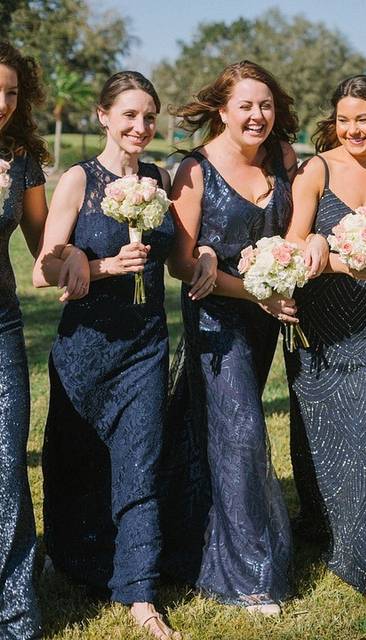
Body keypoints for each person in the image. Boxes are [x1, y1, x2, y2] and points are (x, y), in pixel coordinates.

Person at [34, 71, 180, 640]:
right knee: (76, 463)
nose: (140, 127)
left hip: (145, 342)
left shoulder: (159, 178)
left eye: (149, 117)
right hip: (85, 347)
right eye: (129, 116)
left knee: (140, 464)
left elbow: (178, 252)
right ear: (103, 116)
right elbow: (45, 269)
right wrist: (98, 267)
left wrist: (210, 251)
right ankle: (72, 559)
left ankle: (140, 593)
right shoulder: (78, 179)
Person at [165, 60, 297, 615]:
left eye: (265, 105)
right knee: (242, 431)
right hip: (216, 319)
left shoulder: (285, 161)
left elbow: (296, 233)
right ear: (222, 110)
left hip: (267, 319)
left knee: (212, 432)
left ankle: (179, 540)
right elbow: (180, 262)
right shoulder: (193, 172)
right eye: (245, 105)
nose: (257, 115)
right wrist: (254, 293)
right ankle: (248, 578)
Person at [283, 75, 366, 602]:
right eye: (344, 119)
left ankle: (363, 562)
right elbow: (290, 245)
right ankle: (321, 526)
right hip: (318, 331)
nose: (353, 129)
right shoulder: (317, 168)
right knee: (321, 446)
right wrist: (318, 243)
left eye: (363, 118)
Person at [0, 41, 48, 640]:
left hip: (2, 326)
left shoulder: (21, 157)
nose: (4, 102)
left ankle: (12, 614)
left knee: (6, 466)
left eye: (12, 91)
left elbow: (47, 248)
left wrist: (107, 258)